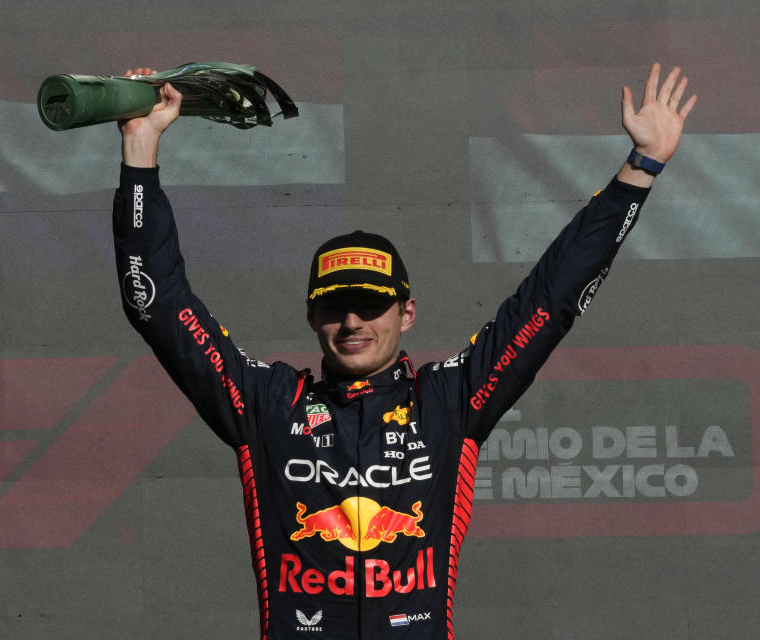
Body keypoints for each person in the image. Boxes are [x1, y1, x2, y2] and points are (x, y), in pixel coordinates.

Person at [113, 63, 696, 639]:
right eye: (335, 306)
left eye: (370, 305)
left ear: (406, 313)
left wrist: (640, 170)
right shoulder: (268, 405)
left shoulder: (450, 398)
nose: (352, 322)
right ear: (312, 316)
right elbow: (156, 305)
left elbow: (551, 299)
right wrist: (141, 150)